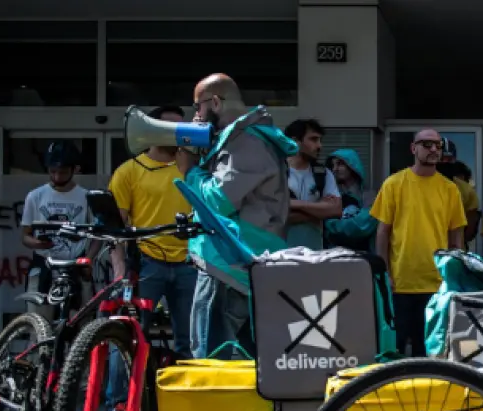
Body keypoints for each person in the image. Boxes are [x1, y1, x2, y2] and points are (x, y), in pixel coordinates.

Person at [177, 73, 298, 359]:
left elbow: (219, 199)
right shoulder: (247, 139)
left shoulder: (246, 142)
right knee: (244, 360)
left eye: (198, 107)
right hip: (243, 261)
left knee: (214, 358)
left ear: (216, 102)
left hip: (228, 264)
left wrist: (190, 171)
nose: (196, 115)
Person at [107, 105, 198, 356]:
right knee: (128, 335)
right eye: (168, 128)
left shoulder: (193, 170)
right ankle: (119, 396)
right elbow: (116, 226)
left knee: (191, 341)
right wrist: (119, 270)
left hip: (189, 263)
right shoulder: (129, 171)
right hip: (146, 263)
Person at [370, 129, 466, 357]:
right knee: (397, 349)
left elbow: (456, 238)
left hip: (437, 284)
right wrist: (385, 274)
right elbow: (383, 232)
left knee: (431, 352)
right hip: (400, 282)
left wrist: (456, 277)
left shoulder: (449, 189)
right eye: (427, 144)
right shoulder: (394, 184)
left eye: (437, 145)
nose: (433, 149)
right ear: (413, 148)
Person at [21, 141, 97, 321]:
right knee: (38, 323)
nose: (56, 176)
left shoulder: (86, 196)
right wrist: (38, 243)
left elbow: (96, 235)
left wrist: (89, 260)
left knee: (80, 323)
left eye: (62, 171)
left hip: (75, 266)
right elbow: (25, 236)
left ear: (74, 169)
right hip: (44, 265)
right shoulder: (35, 196)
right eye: (52, 171)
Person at [284, 118, 342, 249]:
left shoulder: (323, 173)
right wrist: (318, 209)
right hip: (280, 256)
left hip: (314, 256)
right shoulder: (276, 173)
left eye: (320, 140)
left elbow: (336, 210)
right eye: (313, 139)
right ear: (295, 141)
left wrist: (291, 203)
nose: (319, 146)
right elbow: (275, 216)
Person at [324, 148, 379, 253]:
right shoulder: (329, 196)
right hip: (332, 257)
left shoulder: (369, 196)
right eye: (332, 166)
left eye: (340, 164)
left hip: (363, 258)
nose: (335, 169)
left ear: (352, 166)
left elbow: (362, 226)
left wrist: (333, 226)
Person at [439, 139, 481, 243]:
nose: (445, 162)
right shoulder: (419, 186)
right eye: (442, 158)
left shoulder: (466, 190)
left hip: (454, 250)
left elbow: (470, 231)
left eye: (449, 159)